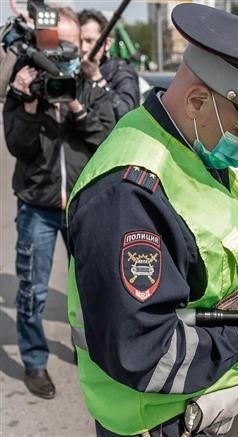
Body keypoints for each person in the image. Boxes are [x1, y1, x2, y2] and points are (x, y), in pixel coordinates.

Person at [65, 3, 238, 436]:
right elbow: (142, 353)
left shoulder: (190, 145)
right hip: (156, 420)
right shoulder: (128, 193)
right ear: (196, 100)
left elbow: (200, 260)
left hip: (196, 405)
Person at [3, 6, 116, 400]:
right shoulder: (25, 82)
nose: (61, 56)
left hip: (84, 208)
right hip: (37, 206)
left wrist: (74, 105)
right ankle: (35, 362)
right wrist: (28, 102)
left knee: (92, 288)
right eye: (54, 47)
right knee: (32, 292)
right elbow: (18, 146)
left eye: (69, 47)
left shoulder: (87, 81)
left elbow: (106, 137)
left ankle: (95, 354)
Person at [78, 9, 140, 120]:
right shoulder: (76, 72)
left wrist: (97, 78)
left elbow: (126, 115)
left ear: (107, 43)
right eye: (79, 41)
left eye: (89, 41)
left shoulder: (122, 73)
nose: (83, 48)